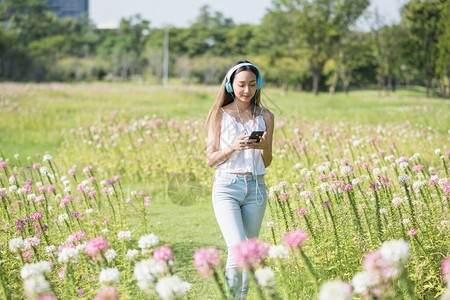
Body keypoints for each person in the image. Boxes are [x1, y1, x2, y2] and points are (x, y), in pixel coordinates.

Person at [205, 61, 274, 299]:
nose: (247, 90)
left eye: (252, 85)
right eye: (241, 85)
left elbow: (266, 162)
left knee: (247, 252)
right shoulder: (218, 115)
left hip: (256, 188)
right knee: (236, 249)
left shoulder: (266, 116)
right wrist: (233, 147)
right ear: (230, 85)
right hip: (226, 187)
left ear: (259, 85)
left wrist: (263, 145)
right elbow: (211, 160)